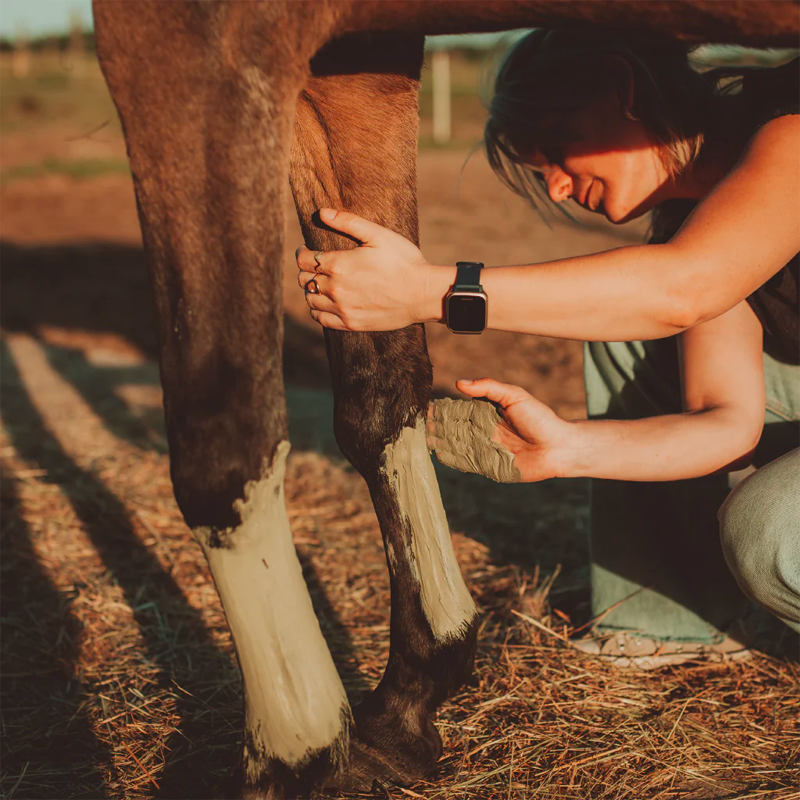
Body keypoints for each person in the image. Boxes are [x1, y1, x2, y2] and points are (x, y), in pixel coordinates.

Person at [296, 30, 800, 668]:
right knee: (621, 316)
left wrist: (429, 291)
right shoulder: (691, 217)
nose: (557, 188)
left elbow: (683, 289)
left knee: (771, 536)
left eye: (558, 148)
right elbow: (724, 420)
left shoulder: (789, 122)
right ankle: (669, 623)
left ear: (623, 89)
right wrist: (566, 448)